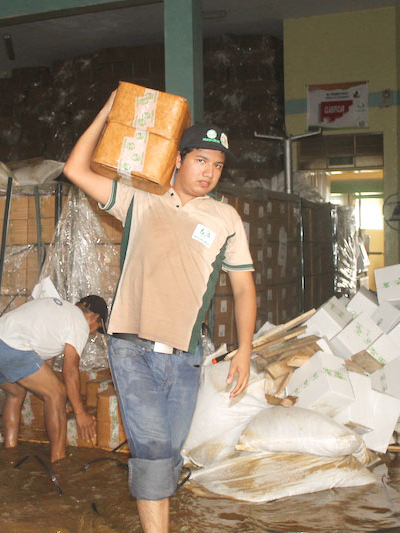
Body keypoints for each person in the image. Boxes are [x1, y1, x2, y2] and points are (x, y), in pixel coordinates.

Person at [63, 91, 256, 533]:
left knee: (168, 454)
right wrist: (109, 111)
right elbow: (75, 169)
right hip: (132, 349)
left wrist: (245, 350)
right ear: (177, 161)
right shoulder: (140, 202)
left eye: (218, 165)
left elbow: (243, 288)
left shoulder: (226, 218)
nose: (209, 172)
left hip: (185, 356)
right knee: (150, 449)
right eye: (201, 160)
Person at [0, 295, 109, 462]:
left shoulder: (58, 310)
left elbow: (44, 367)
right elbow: (70, 370)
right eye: (97, 327)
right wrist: (80, 413)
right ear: (95, 317)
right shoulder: (79, 322)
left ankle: (10, 450)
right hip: (7, 346)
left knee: (17, 392)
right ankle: (58, 461)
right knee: (57, 393)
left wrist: (59, 405)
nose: (93, 332)